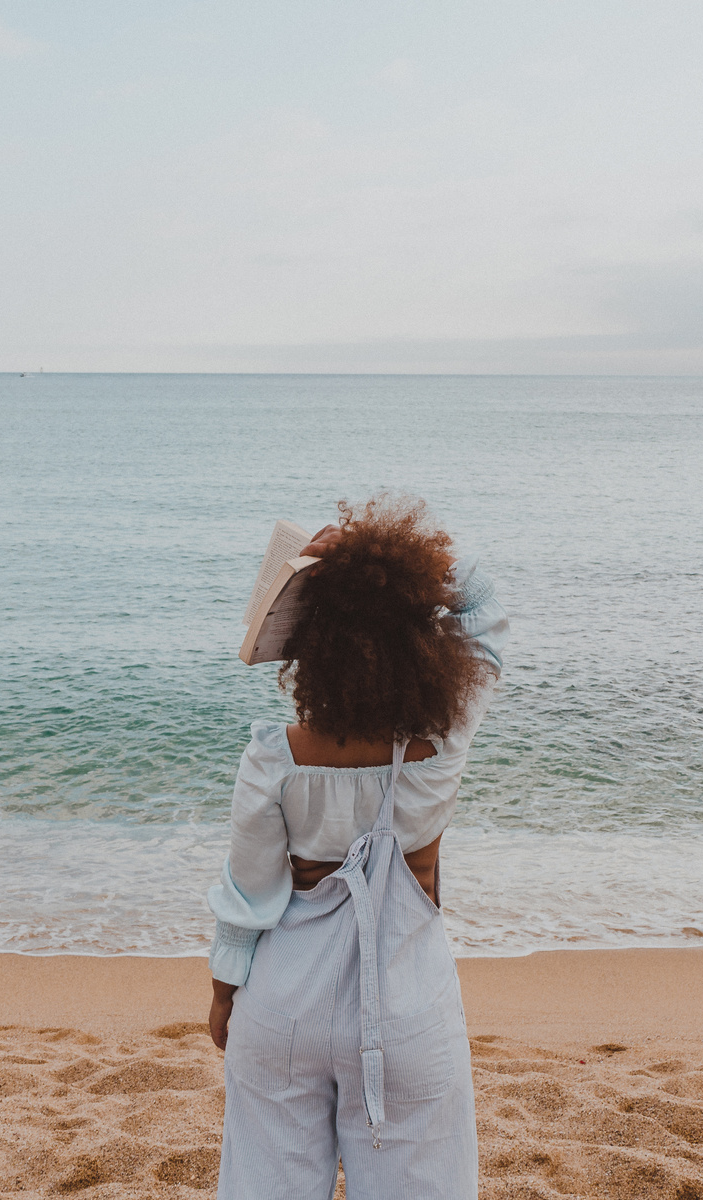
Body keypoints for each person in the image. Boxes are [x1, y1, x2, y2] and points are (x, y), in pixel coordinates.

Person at [206, 494, 509, 1200]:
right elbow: (483, 605)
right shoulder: (443, 738)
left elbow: (247, 891)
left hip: (283, 1003)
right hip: (407, 1010)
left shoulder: (274, 757)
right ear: (417, 639)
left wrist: (224, 991)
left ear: (312, 646)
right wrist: (375, 555)